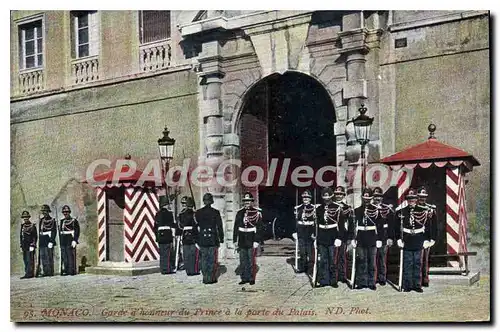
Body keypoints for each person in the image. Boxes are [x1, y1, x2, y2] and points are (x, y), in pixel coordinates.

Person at [395, 188, 431, 292]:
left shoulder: (423, 210)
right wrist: (398, 239)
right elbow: (396, 227)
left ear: (416, 199)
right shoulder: (401, 211)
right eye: (409, 198)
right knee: (408, 263)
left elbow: (427, 226)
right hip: (407, 240)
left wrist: (426, 239)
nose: (411, 200)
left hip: (419, 239)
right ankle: (407, 285)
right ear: (406, 199)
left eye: (413, 198)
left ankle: (417, 285)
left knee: (417, 264)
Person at [352, 188, 382, 290]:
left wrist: (379, 239)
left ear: (371, 198)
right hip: (360, 237)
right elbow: (353, 226)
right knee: (361, 261)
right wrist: (353, 238)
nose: (366, 200)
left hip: (372, 237)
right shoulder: (357, 210)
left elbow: (380, 226)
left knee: (372, 262)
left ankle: (371, 282)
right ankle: (361, 282)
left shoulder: (376, 210)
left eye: (368, 198)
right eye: (365, 198)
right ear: (362, 198)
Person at [315, 187, 345, 288]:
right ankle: (324, 280)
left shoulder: (337, 207)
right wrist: (316, 237)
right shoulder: (319, 209)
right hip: (322, 236)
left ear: (331, 197)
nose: (326, 199)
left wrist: (339, 238)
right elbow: (317, 225)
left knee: (333, 260)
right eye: (324, 197)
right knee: (323, 260)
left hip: (333, 236)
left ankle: (333, 280)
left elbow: (341, 225)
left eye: (328, 197)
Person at [233, 192, 263, 285]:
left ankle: (251, 278)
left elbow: (259, 228)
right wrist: (235, 240)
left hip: (251, 238)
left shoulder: (256, 212)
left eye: (248, 201)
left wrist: (256, 240)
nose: (247, 203)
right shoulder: (239, 212)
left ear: (252, 202)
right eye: (245, 201)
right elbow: (236, 227)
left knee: (251, 260)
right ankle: (244, 278)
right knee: (242, 260)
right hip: (242, 238)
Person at [195, 193, 224, 284]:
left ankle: (205, 278)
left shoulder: (198, 213)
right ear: (211, 201)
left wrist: (196, 239)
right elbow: (219, 226)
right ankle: (211, 278)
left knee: (204, 259)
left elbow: (196, 226)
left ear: (204, 201)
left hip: (202, 238)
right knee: (212, 259)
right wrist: (221, 238)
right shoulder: (216, 212)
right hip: (212, 238)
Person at [372, 187, 395, 286]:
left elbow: (391, 225)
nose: (377, 199)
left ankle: (382, 278)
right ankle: (373, 278)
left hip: (384, 237)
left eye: (379, 197)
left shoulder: (387, 208)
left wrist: (390, 237)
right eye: (376, 196)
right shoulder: (369, 208)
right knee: (373, 258)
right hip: (372, 236)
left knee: (382, 258)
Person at [332, 186, 354, 284]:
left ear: (343, 195)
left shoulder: (347, 208)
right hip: (332, 234)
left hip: (343, 234)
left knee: (342, 256)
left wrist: (350, 237)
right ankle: (333, 276)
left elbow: (351, 224)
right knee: (333, 256)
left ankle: (342, 275)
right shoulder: (330, 206)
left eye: (340, 194)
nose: (338, 196)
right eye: (337, 194)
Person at [417, 186, 437, 287]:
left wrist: (433, 238)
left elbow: (434, 225)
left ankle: (424, 279)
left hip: (426, 238)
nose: (422, 198)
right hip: (415, 238)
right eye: (420, 196)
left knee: (425, 260)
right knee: (417, 260)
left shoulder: (430, 209)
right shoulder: (413, 209)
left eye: (424, 197)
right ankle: (417, 280)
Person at [293, 190, 317, 274]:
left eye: (307, 197)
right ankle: (303, 267)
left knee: (310, 250)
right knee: (302, 250)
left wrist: (315, 232)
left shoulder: (314, 208)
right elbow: (294, 221)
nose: (305, 199)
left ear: (310, 198)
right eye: (304, 197)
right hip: (301, 230)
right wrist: (294, 232)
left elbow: (315, 222)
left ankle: (310, 268)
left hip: (310, 230)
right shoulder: (298, 208)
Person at [154, 196, 176, 274]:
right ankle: (167, 269)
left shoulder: (157, 214)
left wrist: (157, 236)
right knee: (167, 253)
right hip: (167, 235)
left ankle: (162, 268)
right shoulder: (169, 213)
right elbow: (172, 224)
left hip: (160, 235)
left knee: (162, 253)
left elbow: (155, 227)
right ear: (166, 205)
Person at [178, 197, 200, 276]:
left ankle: (188, 270)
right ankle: (193, 270)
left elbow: (180, 226)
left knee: (186, 253)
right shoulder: (194, 213)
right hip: (193, 234)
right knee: (193, 253)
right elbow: (197, 224)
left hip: (184, 234)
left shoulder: (181, 214)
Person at [59, 205, 80, 276]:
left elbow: (77, 231)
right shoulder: (62, 221)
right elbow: (61, 232)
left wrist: (75, 240)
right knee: (64, 256)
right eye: (64, 212)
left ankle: (71, 270)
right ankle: (66, 270)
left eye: (67, 212)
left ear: (69, 212)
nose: (65, 213)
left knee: (70, 255)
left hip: (70, 240)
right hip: (63, 240)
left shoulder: (74, 221)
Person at [37, 205, 57, 277]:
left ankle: (50, 272)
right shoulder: (41, 220)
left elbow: (54, 231)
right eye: (43, 211)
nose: (44, 212)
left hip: (49, 240)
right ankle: (45, 272)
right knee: (43, 257)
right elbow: (40, 231)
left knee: (49, 257)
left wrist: (51, 241)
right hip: (42, 240)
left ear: (48, 212)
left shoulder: (52, 220)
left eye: (45, 211)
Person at [20, 211, 37, 279]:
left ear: (29, 217)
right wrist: (21, 245)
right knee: (25, 260)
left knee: (30, 259)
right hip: (24, 245)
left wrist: (33, 245)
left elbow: (35, 236)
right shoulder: (22, 226)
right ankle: (27, 273)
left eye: (26, 217)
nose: (25, 218)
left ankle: (30, 273)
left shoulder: (32, 226)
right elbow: (21, 236)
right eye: (24, 217)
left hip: (30, 245)